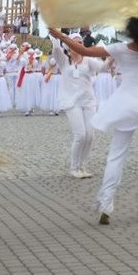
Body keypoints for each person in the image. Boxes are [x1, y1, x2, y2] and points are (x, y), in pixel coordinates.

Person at [49, 18, 138, 225]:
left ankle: (106, 203)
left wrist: (60, 36)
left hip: (128, 104)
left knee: (116, 155)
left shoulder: (121, 49)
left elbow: (85, 51)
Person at [48, 33, 104, 178]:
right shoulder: (63, 60)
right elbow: (56, 49)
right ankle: (74, 168)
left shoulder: (88, 60)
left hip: (88, 101)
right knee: (80, 135)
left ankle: (82, 166)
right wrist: (55, 35)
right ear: (69, 45)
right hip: (72, 101)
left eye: (80, 42)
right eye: (75, 42)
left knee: (90, 136)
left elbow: (102, 67)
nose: (78, 45)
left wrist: (111, 58)